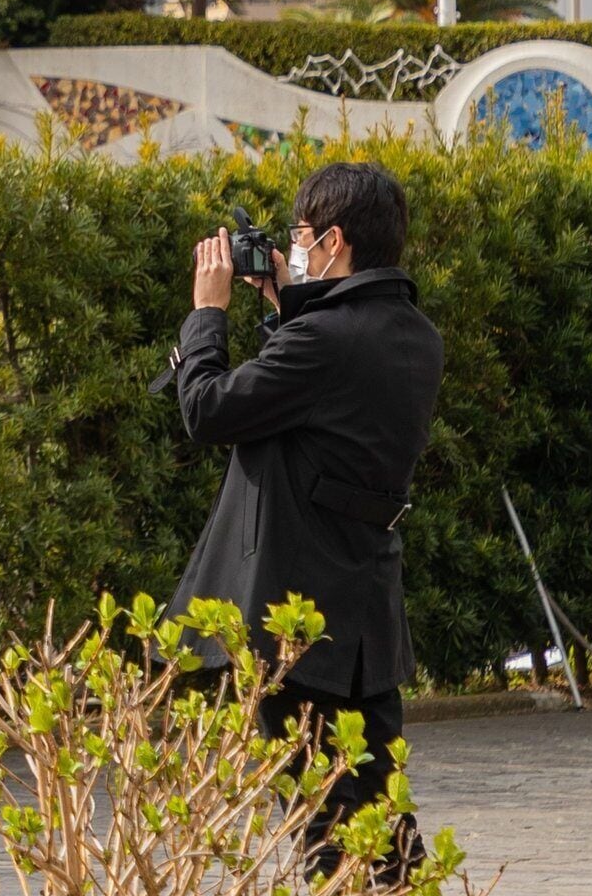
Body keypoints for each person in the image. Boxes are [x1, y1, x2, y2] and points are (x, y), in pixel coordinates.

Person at [165, 161, 444, 836]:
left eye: (300, 235)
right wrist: (287, 302)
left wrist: (207, 314)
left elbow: (207, 409)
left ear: (334, 241)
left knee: (320, 815)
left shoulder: (323, 341)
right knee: (379, 807)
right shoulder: (414, 334)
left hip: (298, 615)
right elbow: (320, 399)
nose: (293, 250)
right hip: (363, 612)